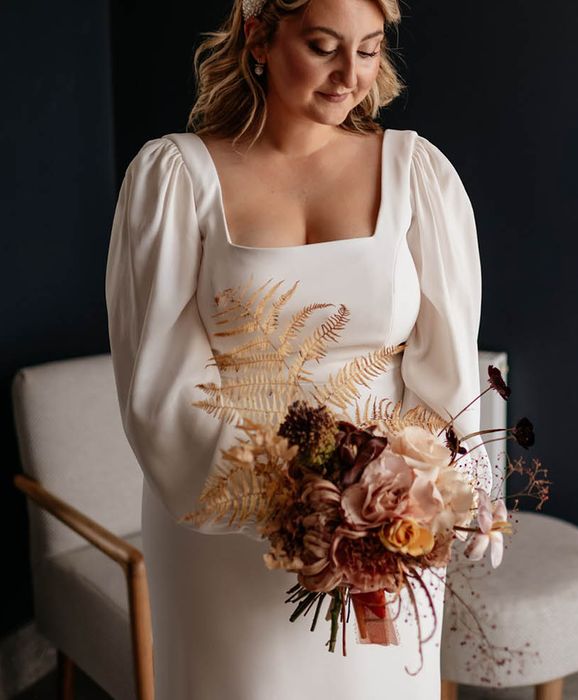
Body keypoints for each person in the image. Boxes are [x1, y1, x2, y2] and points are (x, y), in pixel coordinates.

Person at [105, 0, 491, 697]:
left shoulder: (417, 172)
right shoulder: (175, 177)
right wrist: (295, 503)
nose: (350, 76)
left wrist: (457, 484)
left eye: (370, 50)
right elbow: (158, 382)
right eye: (323, 46)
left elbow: (448, 355)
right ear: (259, 36)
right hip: (225, 513)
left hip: (389, 510)